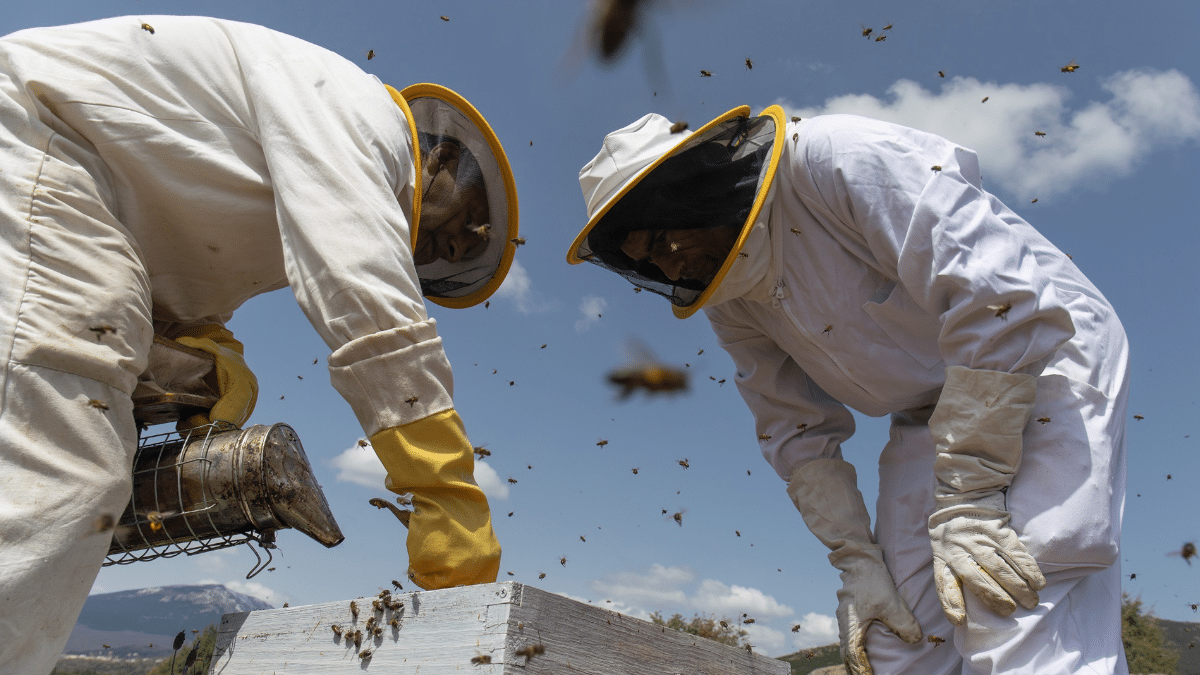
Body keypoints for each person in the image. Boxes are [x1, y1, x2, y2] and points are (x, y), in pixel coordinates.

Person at [0, 16, 519, 674]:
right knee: (67, 469)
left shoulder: (290, 150)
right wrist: (446, 487)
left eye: (450, 251)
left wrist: (200, 356)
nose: (439, 245)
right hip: (39, 149)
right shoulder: (361, 118)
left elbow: (170, 280)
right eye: (451, 231)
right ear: (441, 161)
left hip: (63, 177)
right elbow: (368, 301)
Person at [567, 108, 1130, 674]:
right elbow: (793, 428)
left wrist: (971, 499)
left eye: (663, 237)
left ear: (695, 189)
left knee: (1006, 587)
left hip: (1039, 349)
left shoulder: (837, 157)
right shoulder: (731, 300)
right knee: (898, 638)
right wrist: (857, 562)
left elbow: (1001, 301)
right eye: (646, 260)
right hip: (926, 414)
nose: (667, 263)